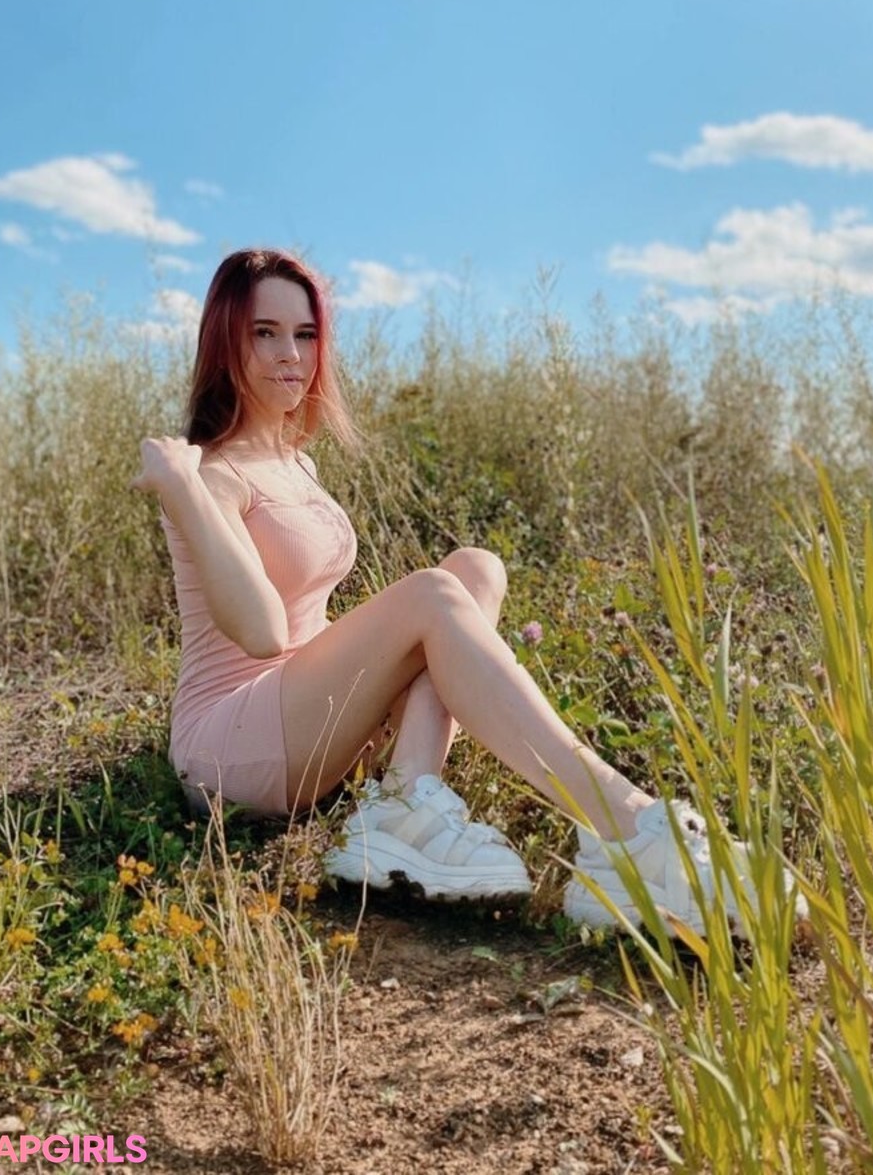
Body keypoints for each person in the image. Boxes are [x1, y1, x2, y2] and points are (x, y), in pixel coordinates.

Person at [134, 248, 773, 936]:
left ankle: (405, 799)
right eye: (265, 332)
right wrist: (181, 486)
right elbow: (263, 635)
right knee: (433, 596)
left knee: (476, 568)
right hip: (231, 748)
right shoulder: (210, 475)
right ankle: (623, 823)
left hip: (310, 722)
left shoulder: (297, 463)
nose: (291, 354)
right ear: (225, 339)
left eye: (306, 333)